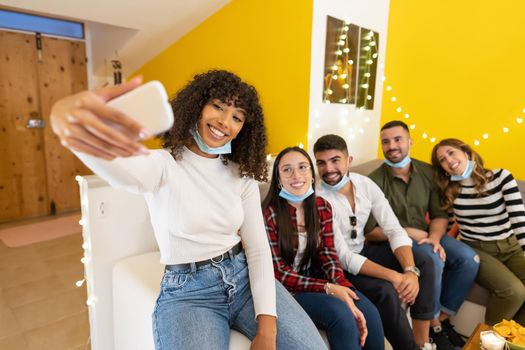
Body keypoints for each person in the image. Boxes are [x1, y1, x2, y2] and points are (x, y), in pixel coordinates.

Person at [49, 70, 328, 350]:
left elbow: (256, 249)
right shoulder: (162, 165)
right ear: (197, 105)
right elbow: (119, 170)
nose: (224, 122)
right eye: (218, 106)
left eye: (237, 116)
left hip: (242, 278)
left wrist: (267, 330)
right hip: (189, 294)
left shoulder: (241, 176)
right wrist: (65, 122)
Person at [314, 134, 437, 350]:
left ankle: (424, 340)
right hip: (336, 266)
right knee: (386, 291)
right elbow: (343, 257)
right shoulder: (317, 198)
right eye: (321, 163)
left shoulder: (365, 184)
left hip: (363, 250)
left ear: (348, 160)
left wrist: (409, 270)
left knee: (425, 260)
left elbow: (394, 229)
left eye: (335, 160)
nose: (328, 169)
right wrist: (396, 277)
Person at [365, 121, 479, 349]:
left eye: (397, 139)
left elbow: (439, 215)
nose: (392, 146)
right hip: (392, 242)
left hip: (426, 235)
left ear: (410, 141)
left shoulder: (427, 172)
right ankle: (431, 330)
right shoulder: (373, 181)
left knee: (469, 259)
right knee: (432, 260)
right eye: (386, 141)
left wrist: (435, 238)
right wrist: (404, 232)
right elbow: (369, 232)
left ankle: (441, 320)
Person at [262, 146, 384, 350]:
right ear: (278, 178)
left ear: (311, 174)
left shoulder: (321, 206)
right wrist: (328, 288)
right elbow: (278, 273)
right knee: (340, 313)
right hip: (284, 290)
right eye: (287, 170)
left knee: (369, 312)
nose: (296, 175)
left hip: (313, 276)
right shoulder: (269, 215)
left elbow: (328, 255)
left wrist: (344, 288)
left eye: (302, 167)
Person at [432, 138, 525, 325]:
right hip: (477, 249)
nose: (449, 161)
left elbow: (519, 219)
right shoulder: (449, 189)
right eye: (442, 159)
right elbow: (446, 225)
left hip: (511, 246)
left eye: (451, 153)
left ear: (466, 152)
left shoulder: (501, 177)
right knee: (514, 292)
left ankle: (513, 340)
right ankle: (485, 341)